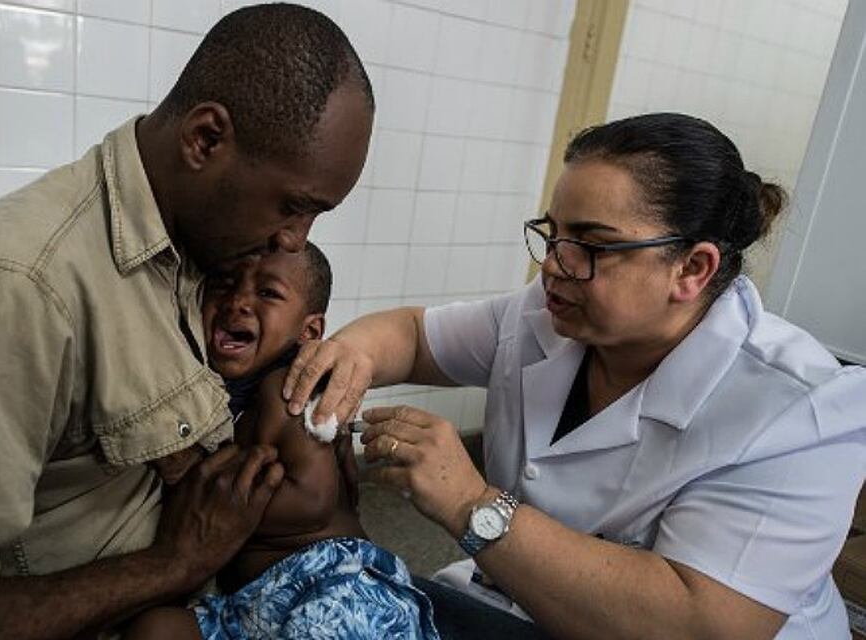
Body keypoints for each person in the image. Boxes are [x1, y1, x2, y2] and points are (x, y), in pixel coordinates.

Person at [0, 5, 373, 639]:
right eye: (293, 207)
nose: (294, 239)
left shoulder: (205, 247)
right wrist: (172, 564)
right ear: (205, 140)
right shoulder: (19, 287)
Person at [283, 113, 866, 639]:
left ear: (692, 268)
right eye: (553, 234)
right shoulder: (548, 314)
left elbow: (699, 623)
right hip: (523, 602)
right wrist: (351, 355)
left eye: (592, 246)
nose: (554, 266)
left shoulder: (800, 410)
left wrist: (469, 502)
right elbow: (413, 336)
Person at [127, 244, 438, 639]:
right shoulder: (215, 392)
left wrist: (201, 481)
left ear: (309, 332)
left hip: (330, 583)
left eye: (268, 292)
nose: (238, 302)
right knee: (155, 628)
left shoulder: (287, 389)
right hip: (250, 605)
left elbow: (312, 500)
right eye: (224, 284)